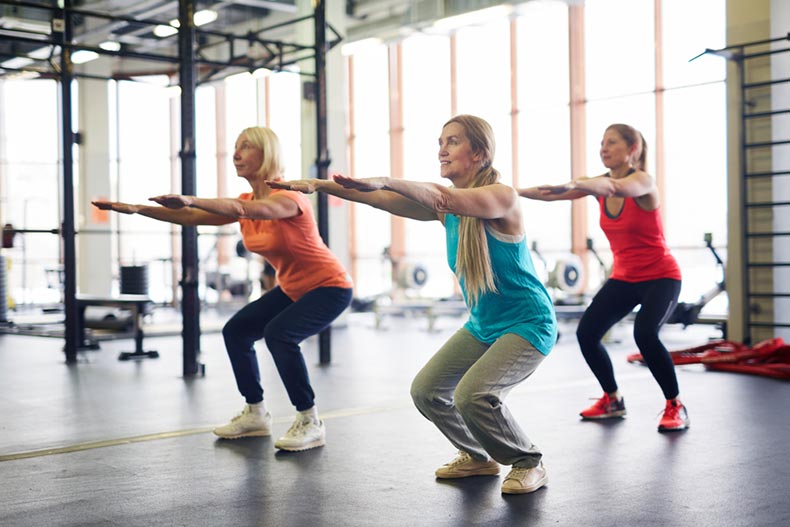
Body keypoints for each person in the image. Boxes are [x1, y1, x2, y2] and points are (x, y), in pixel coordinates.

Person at [270, 114, 557, 495]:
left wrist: (386, 178)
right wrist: (321, 186)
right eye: (441, 141)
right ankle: (476, 457)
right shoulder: (448, 210)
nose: (442, 149)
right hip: (484, 324)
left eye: (453, 141)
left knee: (472, 394)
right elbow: (381, 200)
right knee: (427, 390)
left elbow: (437, 194)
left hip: (528, 323)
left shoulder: (503, 197)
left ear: (480, 153)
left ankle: (527, 461)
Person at [92, 126, 353, 451]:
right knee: (237, 331)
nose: (236, 154)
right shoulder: (244, 201)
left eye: (246, 147)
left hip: (330, 286)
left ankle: (310, 420)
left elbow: (242, 210)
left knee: (279, 334)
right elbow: (190, 217)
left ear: (266, 154)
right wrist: (138, 209)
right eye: (235, 147)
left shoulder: (289, 198)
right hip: (293, 287)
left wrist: (190, 197)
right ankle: (256, 413)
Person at [518, 123, 689, 432]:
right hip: (625, 277)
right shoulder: (597, 184)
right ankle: (612, 399)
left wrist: (579, 183)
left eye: (611, 143)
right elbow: (551, 194)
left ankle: (675, 404)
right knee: (587, 333)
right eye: (601, 143)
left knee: (646, 334)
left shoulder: (643, 182)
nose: (603, 148)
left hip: (661, 276)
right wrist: (510, 193)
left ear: (632, 149)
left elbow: (613, 187)